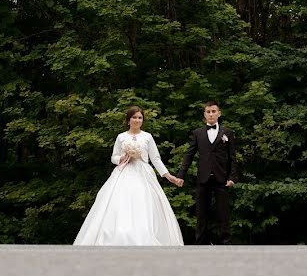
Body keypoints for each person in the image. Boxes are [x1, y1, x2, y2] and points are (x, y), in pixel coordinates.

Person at [73, 106, 185, 246]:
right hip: (124, 171)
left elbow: (155, 159)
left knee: (143, 202)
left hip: (143, 172)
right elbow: (113, 157)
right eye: (134, 117)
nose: (137, 120)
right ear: (128, 120)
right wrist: (122, 158)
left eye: (139, 117)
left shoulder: (147, 137)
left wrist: (168, 176)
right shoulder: (121, 137)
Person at [176, 101, 239, 245]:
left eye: (213, 111)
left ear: (219, 113)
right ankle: (201, 243)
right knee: (201, 213)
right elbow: (189, 155)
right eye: (208, 112)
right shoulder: (198, 133)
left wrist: (232, 176)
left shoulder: (227, 132)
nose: (211, 114)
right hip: (203, 178)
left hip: (221, 178)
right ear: (204, 114)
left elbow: (232, 157)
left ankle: (226, 243)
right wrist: (181, 175)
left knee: (223, 212)